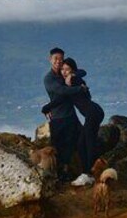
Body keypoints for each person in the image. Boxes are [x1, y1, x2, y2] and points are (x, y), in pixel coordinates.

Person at [46, 57, 105, 186]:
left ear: (72, 70)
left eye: (67, 69)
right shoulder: (68, 83)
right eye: (63, 69)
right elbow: (61, 99)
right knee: (81, 144)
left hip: (93, 113)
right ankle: (90, 173)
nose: (64, 72)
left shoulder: (74, 80)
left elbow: (82, 72)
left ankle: (87, 174)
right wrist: (46, 108)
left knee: (88, 143)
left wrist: (73, 75)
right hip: (93, 113)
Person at [42, 47, 85, 182]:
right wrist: (79, 88)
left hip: (71, 116)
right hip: (58, 118)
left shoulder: (64, 72)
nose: (58, 61)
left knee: (77, 143)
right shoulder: (49, 78)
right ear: (50, 59)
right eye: (56, 58)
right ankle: (59, 177)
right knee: (58, 148)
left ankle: (78, 172)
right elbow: (61, 91)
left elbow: (82, 71)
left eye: (61, 59)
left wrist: (71, 75)